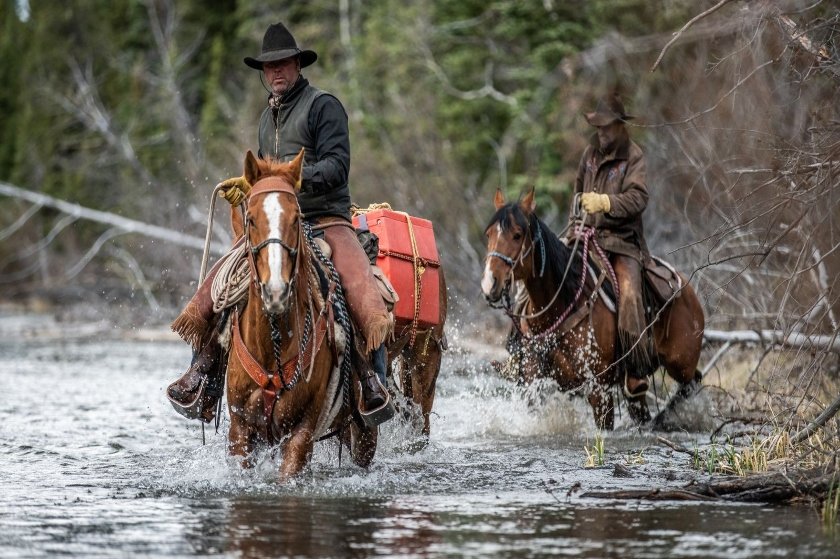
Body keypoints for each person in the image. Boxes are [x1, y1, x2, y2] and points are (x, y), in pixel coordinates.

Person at [166, 22, 394, 424]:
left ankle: (371, 383)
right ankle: (203, 376)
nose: (276, 72)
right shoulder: (264, 118)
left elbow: (339, 167)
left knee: (359, 293)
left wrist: (291, 179)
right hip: (274, 227)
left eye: (284, 64)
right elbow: (263, 178)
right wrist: (253, 188)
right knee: (218, 289)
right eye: (269, 67)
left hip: (325, 221)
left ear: (298, 65)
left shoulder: (325, 106)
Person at [571, 92, 652, 397]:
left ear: (619, 126)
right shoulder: (589, 156)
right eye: (598, 127)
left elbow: (639, 198)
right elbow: (576, 193)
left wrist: (606, 202)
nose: (601, 132)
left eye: (606, 127)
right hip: (586, 239)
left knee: (629, 296)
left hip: (622, 244)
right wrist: (573, 225)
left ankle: (635, 369)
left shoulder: (634, 156)